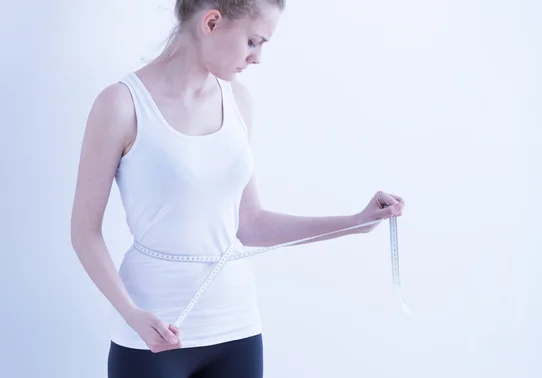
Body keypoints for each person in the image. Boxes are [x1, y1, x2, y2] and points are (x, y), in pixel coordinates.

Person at [70, 0, 405, 377]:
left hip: (236, 327)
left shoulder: (239, 102)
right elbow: (85, 232)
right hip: (152, 331)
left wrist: (356, 223)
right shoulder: (121, 105)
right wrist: (130, 313)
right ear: (212, 22)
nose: (258, 57)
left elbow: (251, 223)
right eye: (253, 41)